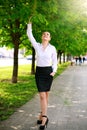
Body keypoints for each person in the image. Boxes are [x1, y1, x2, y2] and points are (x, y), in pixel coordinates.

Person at [27, 22, 57, 130]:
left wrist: (54, 71)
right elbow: (30, 35)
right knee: (42, 96)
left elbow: (55, 61)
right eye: (44, 34)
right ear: (42, 37)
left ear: (50, 38)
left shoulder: (52, 48)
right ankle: (45, 118)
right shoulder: (37, 46)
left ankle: (41, 115)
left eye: (47, 34)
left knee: (46, 96)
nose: (45, 35)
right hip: (39, 72)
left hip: (48, 72)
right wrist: (29, 25)